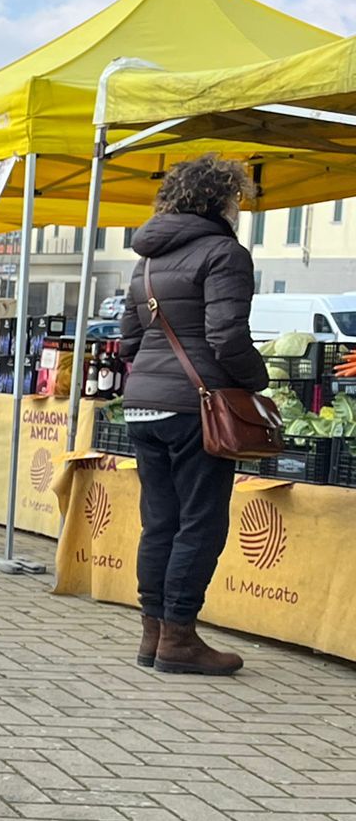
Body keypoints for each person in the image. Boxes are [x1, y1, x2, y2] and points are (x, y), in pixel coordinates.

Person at [117, 155, 267, 676]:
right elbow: (227, 337)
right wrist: (256, 381)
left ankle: (153, 635)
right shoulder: (224, 254)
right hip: (195, 407)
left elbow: (128, 342)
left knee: (160, 522)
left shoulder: (146, 261)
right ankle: (179, 637)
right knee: (200, 523)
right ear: (221, 199)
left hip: (142, 405)